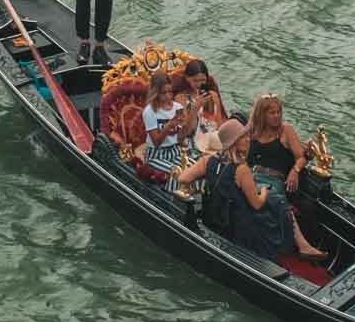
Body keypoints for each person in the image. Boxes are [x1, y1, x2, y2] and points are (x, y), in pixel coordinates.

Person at [210, 118, 326, 262]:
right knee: (276, 199)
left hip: (219, 213)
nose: (248, 140)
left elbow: (184, 179)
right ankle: (298, 245)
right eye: (243, 138)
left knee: (277, 199)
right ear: (234, 143)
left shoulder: (210, 161)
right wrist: (264, 192)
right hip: (236, 222)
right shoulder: (242, 169)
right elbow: (257, 204)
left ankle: (300, 244)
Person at [246, 92, 310, 200]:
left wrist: (295, 170)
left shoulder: (286, 130)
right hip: (251, 176)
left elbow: (302, 157)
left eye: (279, 112)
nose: (277, 116)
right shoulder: (252, 130)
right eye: (272, 113)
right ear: (262, 115)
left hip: (273, 181)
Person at [140, 71, 189, 180]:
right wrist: (169, 126)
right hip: (157, 154)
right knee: (177, 172)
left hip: (175, 151)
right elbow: (156, 142)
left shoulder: (178, 107)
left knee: (193, 168)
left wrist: (185, 124)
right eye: (163, 93)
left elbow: (181, 139)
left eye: (170, 92)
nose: (168, 96)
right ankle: (174, 196)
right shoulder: (149, 112)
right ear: (156, 93)